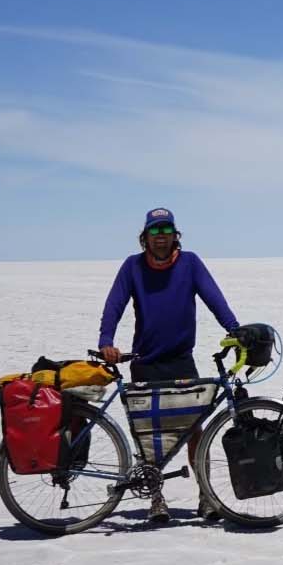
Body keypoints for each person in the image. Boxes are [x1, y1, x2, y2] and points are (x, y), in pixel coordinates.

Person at [98, 207, 242, 524]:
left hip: (180, 359)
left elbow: (214, 299)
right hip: (146, 361)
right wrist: (106, 340)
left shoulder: (190, 263)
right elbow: (114, 304)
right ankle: (156, 499)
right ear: (145, 237)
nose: (160, 237)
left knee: (194, 431)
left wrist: (235, 330)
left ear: (175, 234)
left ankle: (206, 496)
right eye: (154, 231)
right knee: (150, 436)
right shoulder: (132, 267)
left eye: (166, 231)